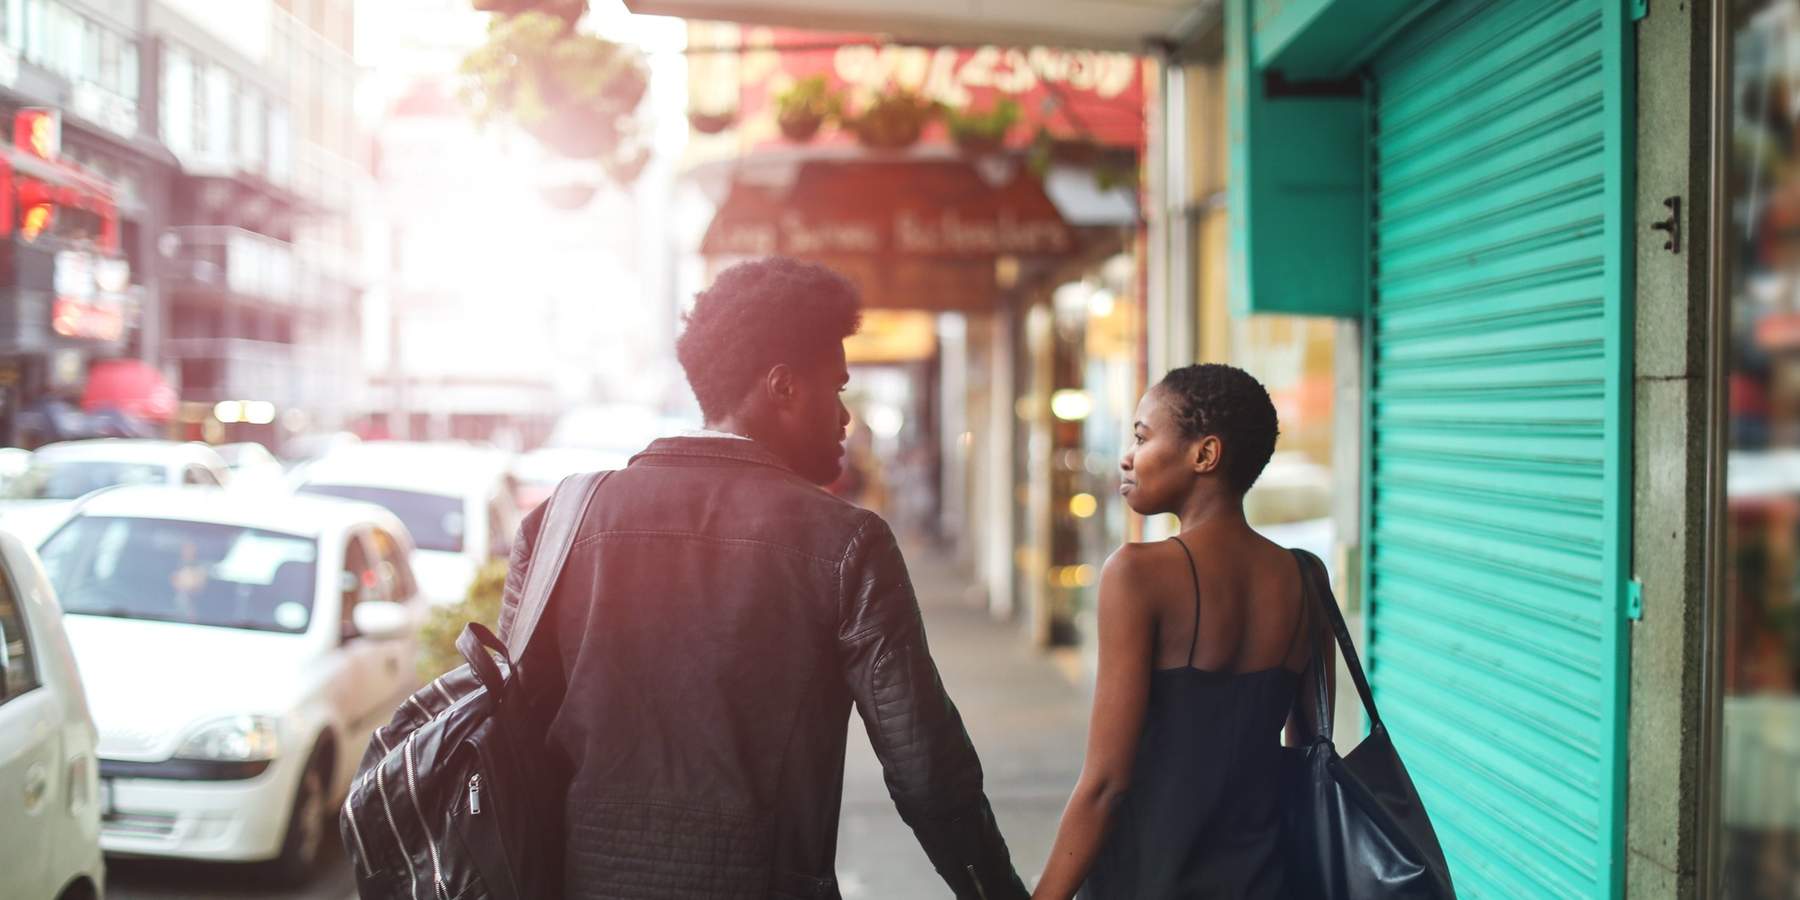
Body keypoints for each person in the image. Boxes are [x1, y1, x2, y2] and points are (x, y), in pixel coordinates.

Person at [498, 257, 1027, 900]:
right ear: (783, 387)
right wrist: (996, 890)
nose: (845, 418)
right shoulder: (846, 541)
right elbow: (925, 764)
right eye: (836, 388)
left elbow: (510, 731)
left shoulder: (558, 523)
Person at [1032, 363, 1337, 900]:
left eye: (1142, 437)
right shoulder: (1306, 578)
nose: (1127, 456)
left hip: (1148, 880)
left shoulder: (1136, 575)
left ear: (1205, 454)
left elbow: (1105, 785)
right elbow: (1310, 753)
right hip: (1265, 880)